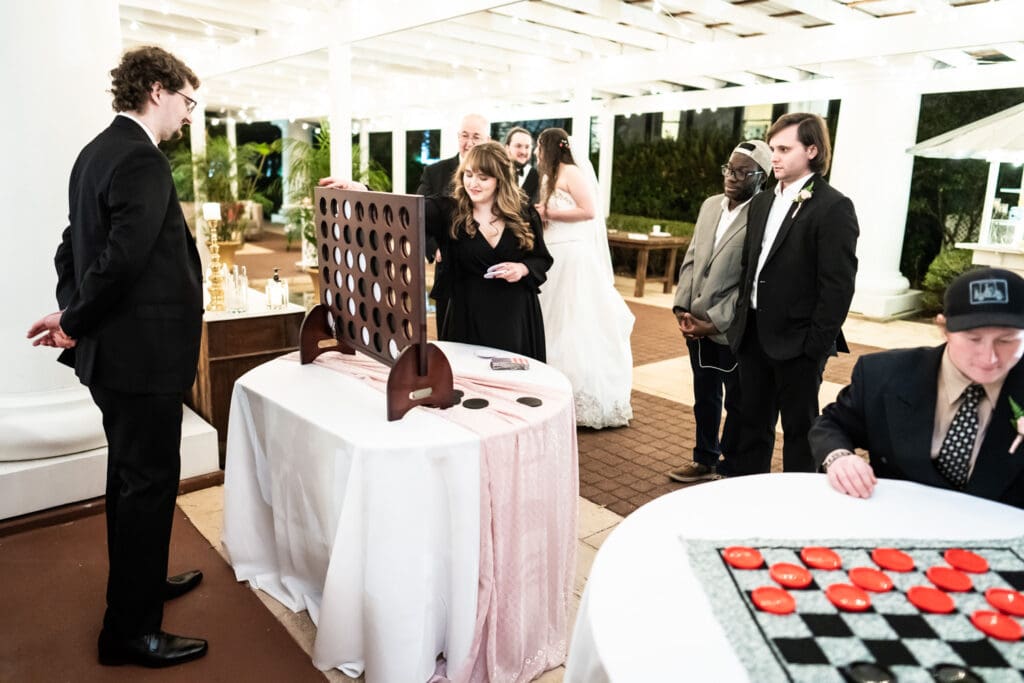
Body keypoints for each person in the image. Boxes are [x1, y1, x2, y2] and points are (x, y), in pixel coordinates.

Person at [25, 46, 208, 667]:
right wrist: (75, 320)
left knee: (129, 482)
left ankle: (143, 583)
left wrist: (73, 316)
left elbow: (71, 249)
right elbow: (123, 260)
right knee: (147, 486)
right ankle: (130, 632)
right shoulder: (141, 159)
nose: (187, 114)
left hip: (118, 358)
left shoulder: (95, 153)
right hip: (143, 360)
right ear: (157, 90)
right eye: (186, 100)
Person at [810, 268, 1024, 509]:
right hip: (899, 523)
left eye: (1006, 340)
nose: (989, 357)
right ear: (944, 328)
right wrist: (839, 458)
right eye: (973, 339)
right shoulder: (884, 374)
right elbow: (832, 423)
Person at [325, 141, 552, 360]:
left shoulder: (523, 213)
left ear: (500, 180)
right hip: (467, 314)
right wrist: (362, 190)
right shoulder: (448, 210)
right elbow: (399, 211)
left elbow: (541, 259)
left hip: (516, 315)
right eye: (468, 174)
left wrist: (522, 268)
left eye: (483, 178)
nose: (473, 183)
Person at [729, 112, 859, 475]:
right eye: (773, 148)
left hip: (799, 345)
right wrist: (741, 322)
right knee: (750, 425)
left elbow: (837, 286)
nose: (775, 157)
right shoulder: (761, 202)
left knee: (801, 433)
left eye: (785, 148)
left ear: (813, 150)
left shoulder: (833, 207)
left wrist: (814, 348)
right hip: (753, 335)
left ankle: (800, 508)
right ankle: (748, 497)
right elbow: (749, 268)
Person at [668, 140, 772, 483]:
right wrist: (683, 307)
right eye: (730, 169)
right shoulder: (711, 205)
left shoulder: (763, 214)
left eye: (743, 172)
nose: (732, 177)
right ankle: (704, 459)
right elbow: (693, 257)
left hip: (730, 327)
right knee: (705, 397)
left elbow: (750, 280)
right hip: (693, 320)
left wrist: (712, 321)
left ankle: (732, 467)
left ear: (762, 177)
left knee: (738, 403)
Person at [534, 128, 634, 428]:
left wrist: (549, 213)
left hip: (573, 256)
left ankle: (583, 397)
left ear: (549, 147)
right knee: (551, 323)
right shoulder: (548, 176)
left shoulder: (571, 172)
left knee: (574, 324)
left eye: (540, 146)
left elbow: (589, 211)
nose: (538, 153)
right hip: (552, 253)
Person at [416, 113, 490, 337]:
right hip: (448, 268)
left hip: (484, 273)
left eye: (476, 137)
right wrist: (434, 247)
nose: (469, 142)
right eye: (464, 136)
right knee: (449, 335)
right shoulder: (434, 172)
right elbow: (416, 213)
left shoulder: (498, 175)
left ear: (487, 140)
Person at [504, 126, 539, 204]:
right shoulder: (495, 171)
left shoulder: (536, 176)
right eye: (518, 146)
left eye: (527, 147)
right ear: (507, 148)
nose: (523, 151)